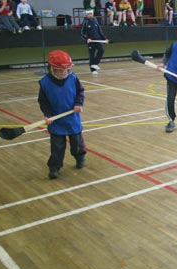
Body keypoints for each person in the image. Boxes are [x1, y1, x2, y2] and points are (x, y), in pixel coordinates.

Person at [38, 50, 86, 180]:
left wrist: (78, 103)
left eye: (67, 69)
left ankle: (80, 157)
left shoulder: (73, 78)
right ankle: (55, 167)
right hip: (56, 120)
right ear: (52, 69)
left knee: (77, 143)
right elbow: (43, 101)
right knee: (57, 147)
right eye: (61, 70)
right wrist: (47, 114)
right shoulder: (45, 83)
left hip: (72, 118)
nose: (65, 72)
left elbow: (80, 92)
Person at [80, 7, 108, 76]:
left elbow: (99, 31)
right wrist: (87, 39)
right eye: (88, 14)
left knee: (101, 50)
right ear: (86, 15)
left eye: (91, 14)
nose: (90, 15)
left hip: (98, 40)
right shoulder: (85, 22)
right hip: (91, 41)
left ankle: (95, 64)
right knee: (91, 55)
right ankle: (93, 70)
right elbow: (82, 33)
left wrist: (104, 38)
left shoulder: (95, 20)